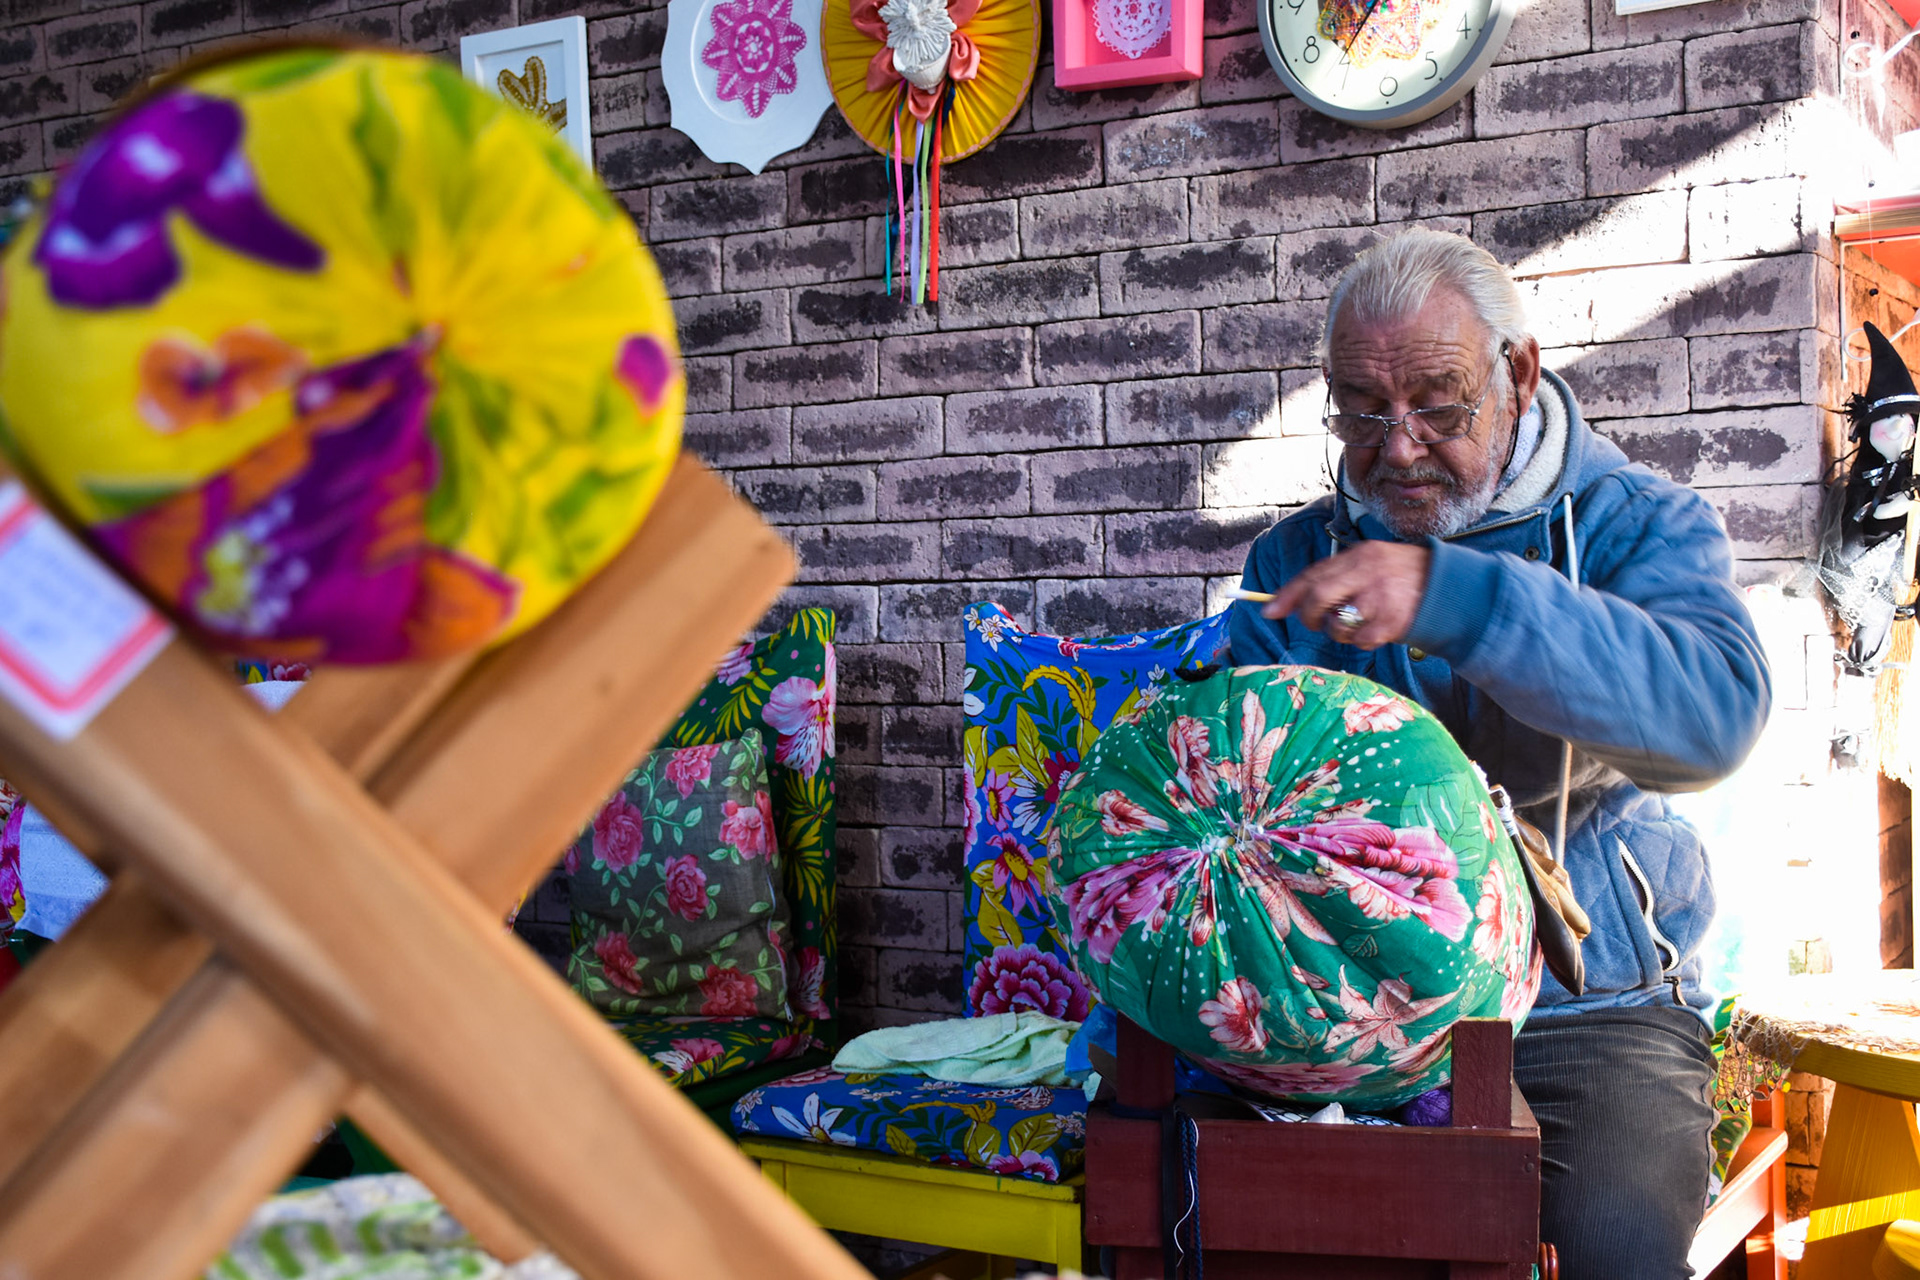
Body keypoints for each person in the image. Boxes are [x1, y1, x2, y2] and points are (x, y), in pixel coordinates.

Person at [1228, 228, 1771, 1279]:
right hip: (1354, 996)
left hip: (1591, 999)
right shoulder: (1295, 559)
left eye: (1438, 401)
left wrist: (1453, 596)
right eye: (1359, 409)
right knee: (1218, 1206)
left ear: (1518, 373)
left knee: (1612, 1247)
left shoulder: (1635, 525)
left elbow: (1715, 712)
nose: (1397, 445)